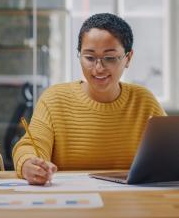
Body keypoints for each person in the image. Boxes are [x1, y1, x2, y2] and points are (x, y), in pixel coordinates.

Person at [12, 13, 167, 185]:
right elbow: (28, 147)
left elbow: (171, 153)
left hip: (131, 203)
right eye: (90, 58)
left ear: (128, 58)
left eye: (109, 58)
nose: (98, 68)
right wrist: (28, 163)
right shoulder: (54, 99)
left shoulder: (144, 101)